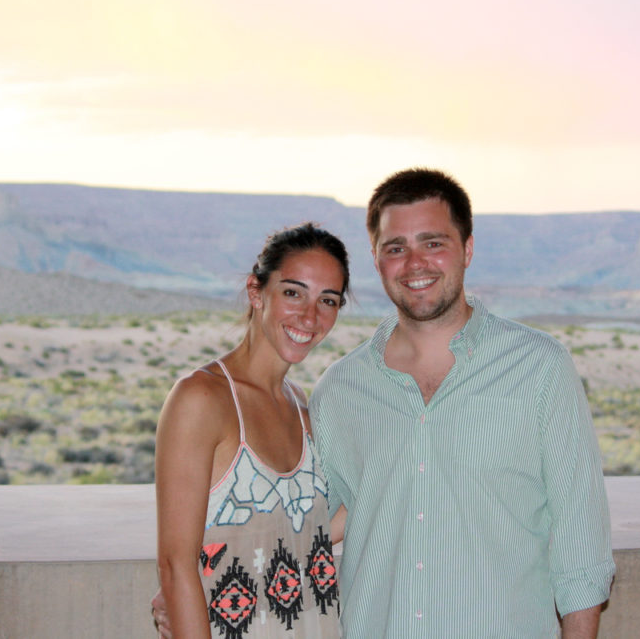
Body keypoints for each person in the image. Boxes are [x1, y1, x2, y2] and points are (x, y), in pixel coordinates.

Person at [308, 168, 614, 638]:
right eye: (396, 248)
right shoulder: (340, 390)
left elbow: (581, 545)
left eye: (433, 243)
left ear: (467, 249)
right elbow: (303, 526)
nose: (414, 263)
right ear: (376, 259)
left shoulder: (539, 368)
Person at [155, 222, 348, 639]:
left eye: (327, 300)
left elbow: (302, 532)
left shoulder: (303, 409)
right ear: (256, 291)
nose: (310, 316)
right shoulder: (202, 400)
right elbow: (175, 564)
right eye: (293, 292)